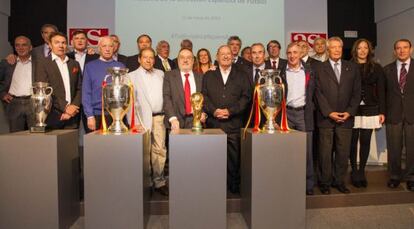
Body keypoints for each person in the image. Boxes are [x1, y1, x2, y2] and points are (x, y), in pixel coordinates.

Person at [315, 36, 361, 194]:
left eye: (339, 47)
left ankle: (339, 181)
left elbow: (356, 93)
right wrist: (329, 112)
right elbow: (318, 93)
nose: (336, 50)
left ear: (342, 49)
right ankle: (325, 183)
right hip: (326, 118)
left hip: (346, 117)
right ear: (328, 50)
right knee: (325, 153)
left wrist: (349, 111)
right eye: (333, 47)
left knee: (343, 152)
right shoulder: (319, 68)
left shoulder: (352, 67)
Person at [202, 45, 251, 194]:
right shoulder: (208, 75)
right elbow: (204, 96)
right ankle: (215, 187)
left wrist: (230, 111)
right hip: (213, 123)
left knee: (234, 159)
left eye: (228, 54)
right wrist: (214, 111)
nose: (225, 56)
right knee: (213, 158)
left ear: (232, 56)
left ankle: (233, 187)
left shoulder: (242, 75)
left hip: (233, 124)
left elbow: (246, 97)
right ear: (216, 56)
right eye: (222, 54)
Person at [128, 47, 168, 196]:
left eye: (151, 57)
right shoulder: (130, 76)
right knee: (143, 151)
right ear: (139, 59)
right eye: (145, 57)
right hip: (140, 120)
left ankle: (159, 182)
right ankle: (145, 183)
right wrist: (133, 122)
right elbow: (129, 102)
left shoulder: (161, 74)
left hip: (159, 118)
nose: (149, 60)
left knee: (160, 150)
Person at [279, 42, 316, 195]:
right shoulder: (281, 72)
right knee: (286, 151)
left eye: (295, 52)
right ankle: (288, 183)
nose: (292, 56)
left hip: (303, 115)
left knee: (306, 152)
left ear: (301, 54)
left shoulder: (309, 71)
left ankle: (308, 185)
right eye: (289, 53)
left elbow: (316, 93)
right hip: (286, 114)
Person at [349, 39, 386, 188]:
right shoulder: (349, 66)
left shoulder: (376, 67)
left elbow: (382, 90)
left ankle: (361, 172)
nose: (363, 50)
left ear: (369, 50)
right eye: (360, 48)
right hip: (353, 108)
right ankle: (354, 170)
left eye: (365, 48)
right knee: (352, 141)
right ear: (355, 50)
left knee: (365, 141)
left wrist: (382, 111)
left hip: (371, 108)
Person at [383, 39, 414, 191]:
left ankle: (411, 177)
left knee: (412, 148)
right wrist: (382, 113)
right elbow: (382, 94)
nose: (402, 51)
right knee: (394, 147)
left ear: (411, 49)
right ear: (394, 51)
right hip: (393, 114)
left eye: (405, 47)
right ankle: (394, 176)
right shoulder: (386, 69)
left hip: (412, 114)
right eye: (398, 48)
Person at [35, 32, 82, 129]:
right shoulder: (43, 63)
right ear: (50, 45)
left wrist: (73, 106)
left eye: (63, 43)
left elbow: (79, 87)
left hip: (73, 115)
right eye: (57, 42)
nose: (61, 45)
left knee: (71, 144)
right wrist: (65, 107)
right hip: (53, 115)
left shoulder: (74, 64)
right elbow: (45, 91)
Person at [82, 36, 126, 133]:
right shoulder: (90, 67)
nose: (107, 49)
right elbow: (86, 93)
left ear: (114, 48)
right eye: (104, 46)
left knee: (116, 147)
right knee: (96, 147)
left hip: (117, 115)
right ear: (99, 48)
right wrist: (89, 116)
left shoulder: (121, 66)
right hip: (96, 115)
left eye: (110, 46)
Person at [0, 36, 35, 132]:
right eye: (17, 45)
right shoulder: (7, 63)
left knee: (37, 135)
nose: (21, 48)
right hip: (14, 103)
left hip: (33, 102)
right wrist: (2, 94)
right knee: (15, 136)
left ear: (30, 47)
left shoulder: (38, 63)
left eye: (24, 45)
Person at [163, 48, 204, 130]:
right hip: (175, 122)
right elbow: (167, 98)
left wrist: (204, 114)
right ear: (178, 60)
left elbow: (205, 97)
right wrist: (172, 118)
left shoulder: (201, 77)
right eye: (182, 57)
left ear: (193, 61)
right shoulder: (169, 76)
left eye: (188, 58)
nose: (185, 60)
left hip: (196, 122)